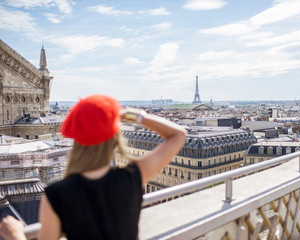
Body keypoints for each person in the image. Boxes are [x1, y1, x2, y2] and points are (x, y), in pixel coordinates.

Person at [0, 94, 187, 240]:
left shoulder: (57, 195)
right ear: (115, 140)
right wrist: (130, 114)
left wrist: (16, 235)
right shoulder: (131, 177)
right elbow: (178, 135)